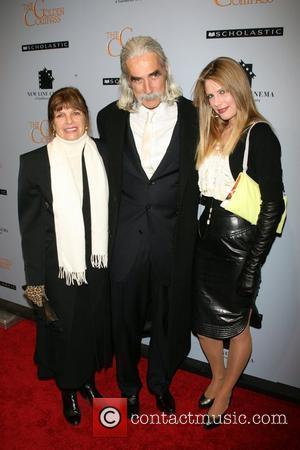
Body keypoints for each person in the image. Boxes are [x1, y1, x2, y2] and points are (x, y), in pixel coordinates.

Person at [97, 36, 199, 417]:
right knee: (123, 318)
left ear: (165, 70)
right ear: (126, 79)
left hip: (172, 240)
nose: (147, 88)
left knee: (168, 319)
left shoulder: (194, 115)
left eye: (153, 75)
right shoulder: (109, 117)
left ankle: (159, 382)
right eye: (137, 79)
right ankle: (129, 385)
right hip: (125, 240)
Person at [192, 57, 285, 428]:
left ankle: (227, 389)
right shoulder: (213, 129)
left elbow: (273, 206)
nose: (217, 101)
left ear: (239, 87)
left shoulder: (258, 133)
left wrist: (252, 266)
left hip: (238, 247)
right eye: (211, 95)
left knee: (236, 326)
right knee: (204, 325)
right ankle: (217, 375)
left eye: (223, 91)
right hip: (206, 239)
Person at [18, 87, 112, 426]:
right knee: (65, 328)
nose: (69, 120)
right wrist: (35, 281)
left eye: (75, 112)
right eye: (60, 114)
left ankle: (86, 379)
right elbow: (29, 228)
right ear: (51, 122)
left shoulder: (105, 153)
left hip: (98, 261)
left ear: (86, 117)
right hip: (60, 265)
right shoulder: (33, 163)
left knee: (91, 324)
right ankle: (68, 388)